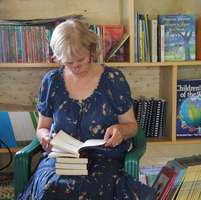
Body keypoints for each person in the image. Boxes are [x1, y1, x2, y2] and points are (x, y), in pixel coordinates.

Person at [18, 19, 155, 200]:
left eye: (80, 59)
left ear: (92, 50)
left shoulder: (113, 80)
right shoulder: (52, 81)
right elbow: (42, 127)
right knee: (51, 186)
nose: (75, 66)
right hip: (62, 159)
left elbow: (132, 126)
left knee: (95, 188)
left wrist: (120, 130)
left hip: (105, 159)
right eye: (68, 62)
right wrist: (45, 137)